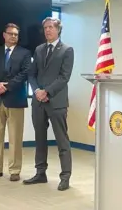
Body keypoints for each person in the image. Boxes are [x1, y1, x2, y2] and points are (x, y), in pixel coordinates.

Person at [24, 17, 74, 191]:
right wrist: (37, 90)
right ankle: (40, 173)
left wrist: (47, 91)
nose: (47, 30)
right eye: (45, 27)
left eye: (51, 27)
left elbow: (64, 77)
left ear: (58, 29)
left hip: (57, 101)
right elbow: (31, 74)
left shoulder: (67, 50)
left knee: (62, 140)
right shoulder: (38, 49)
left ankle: (65, 176)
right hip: (38, 102)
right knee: (40, 139)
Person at [0, 23, 31, 182]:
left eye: (16, 34)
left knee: (15, 137)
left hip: (15, 98)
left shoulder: (25, 53)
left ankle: (15, 170)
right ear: (4, 35)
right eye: (10, 34)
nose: (13, 37)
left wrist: (7, 86)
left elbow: (25, 73)